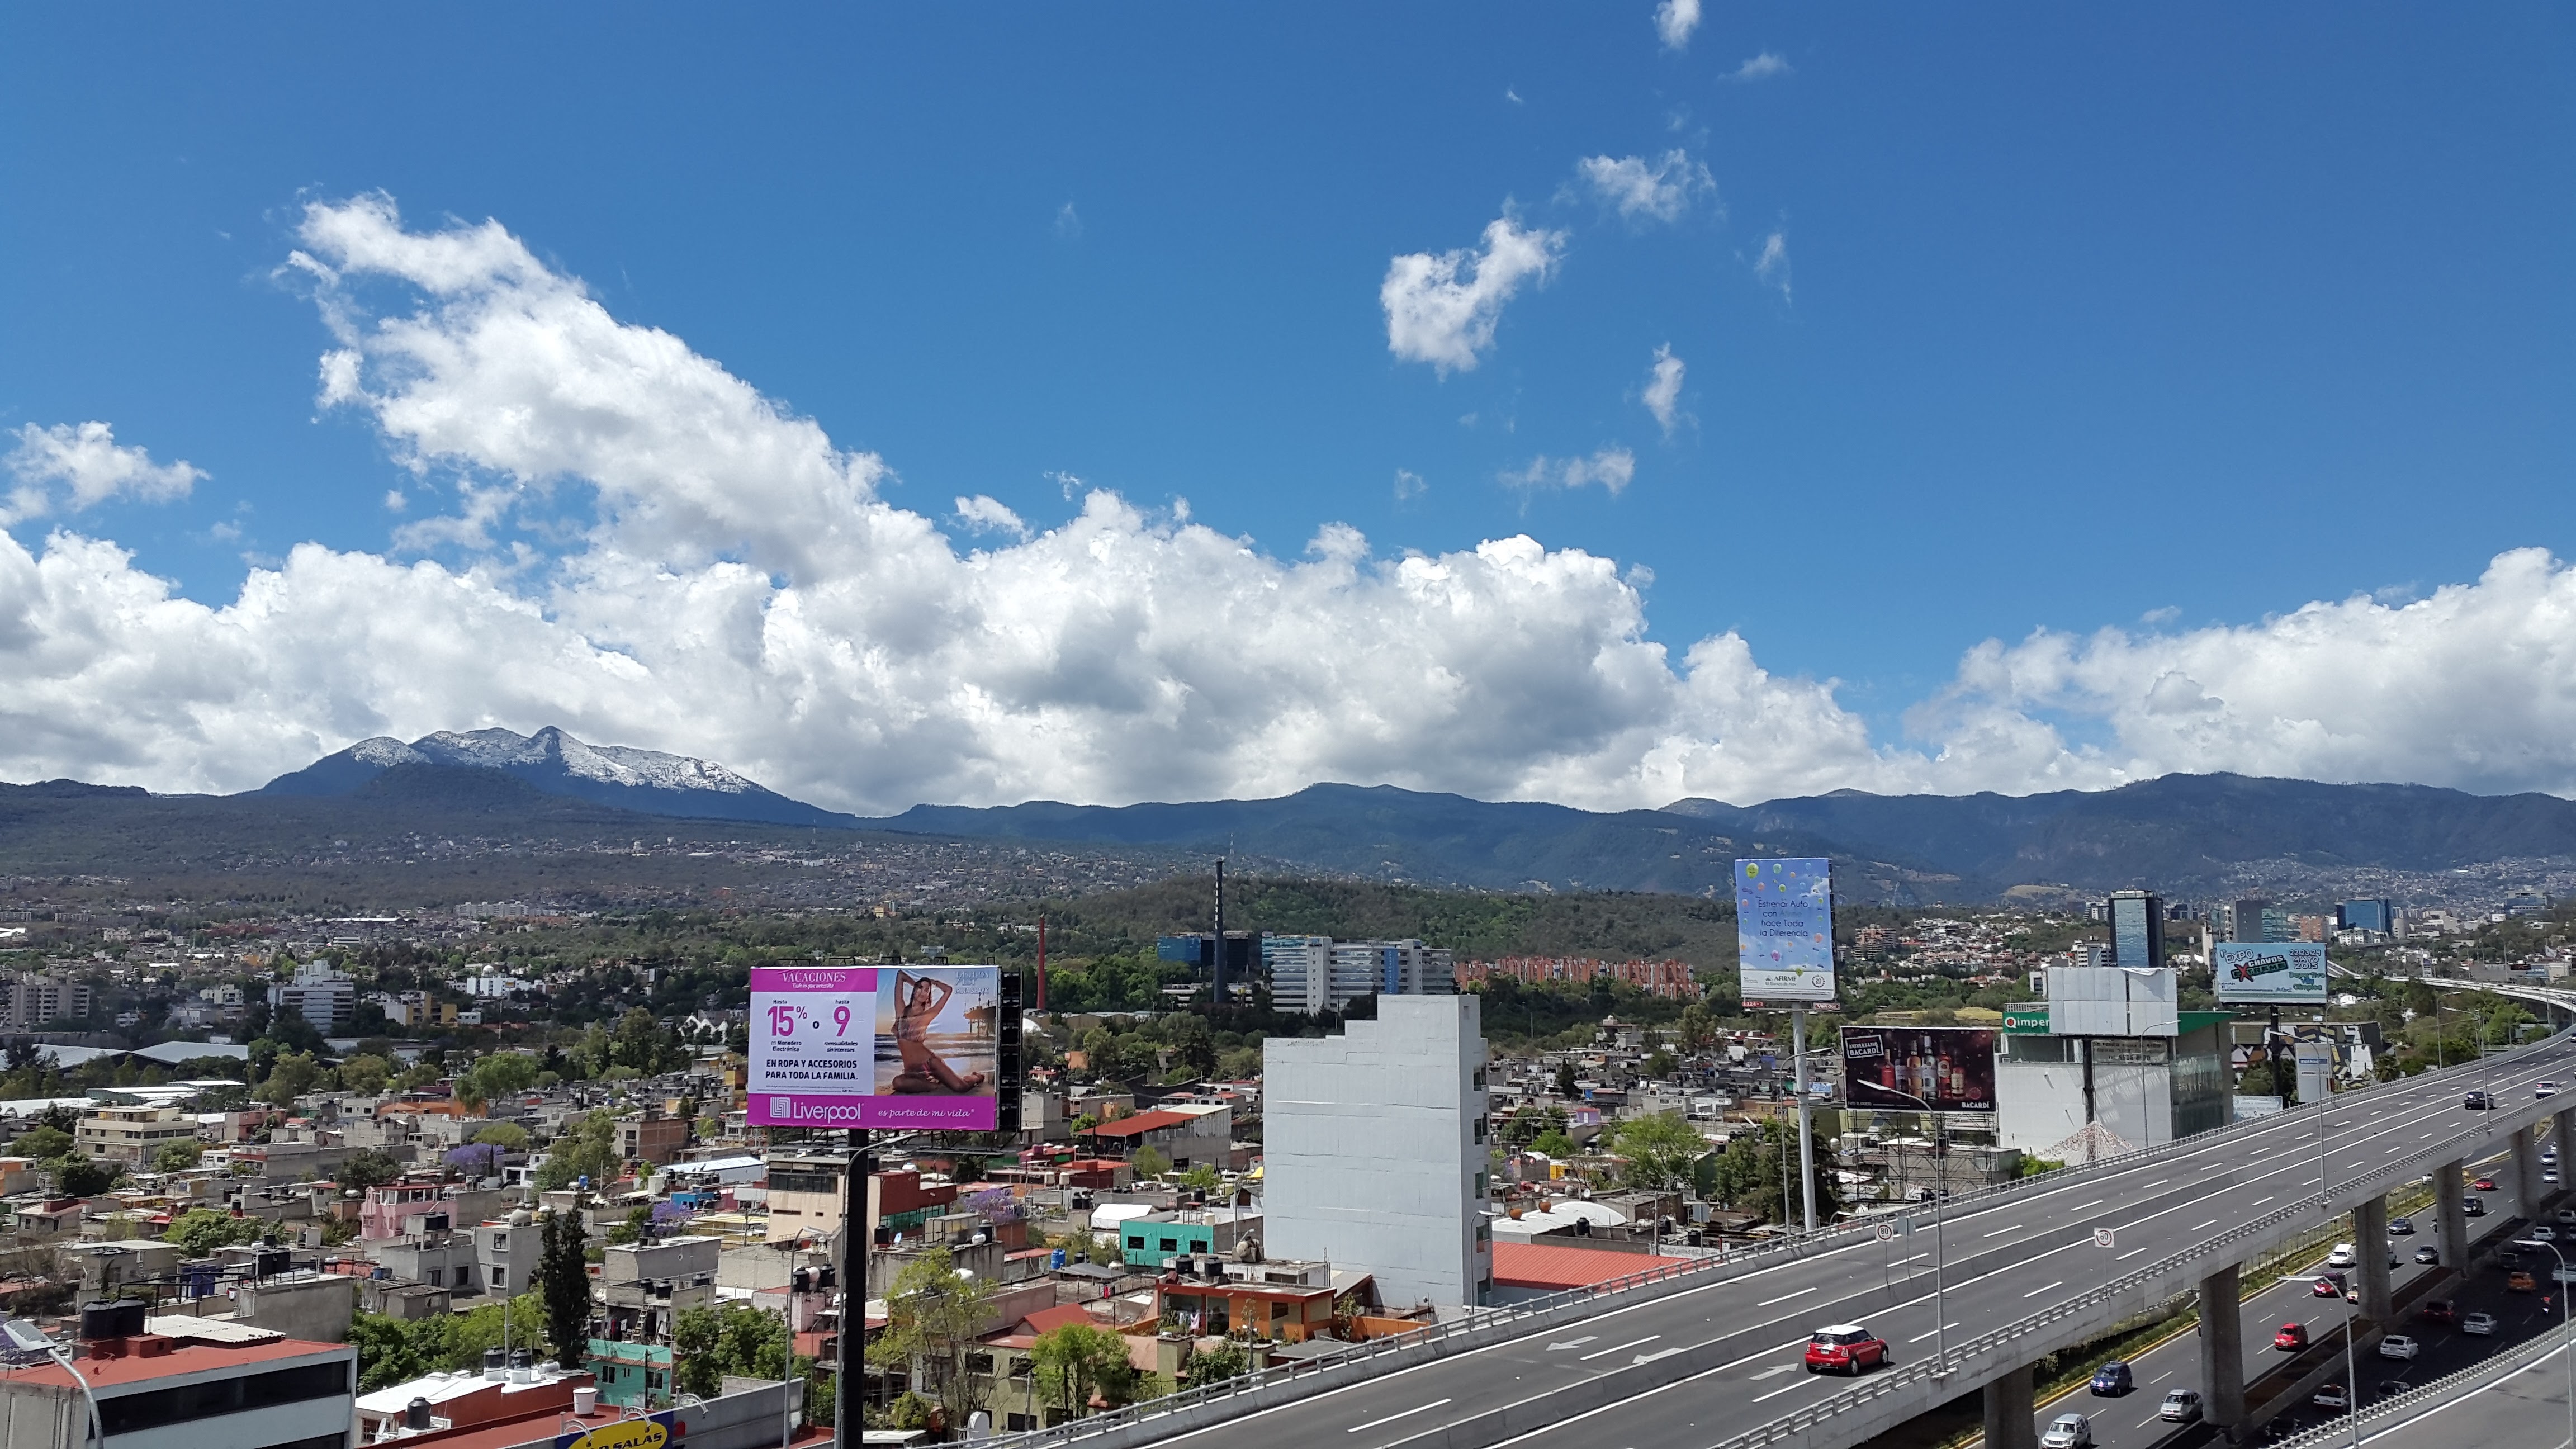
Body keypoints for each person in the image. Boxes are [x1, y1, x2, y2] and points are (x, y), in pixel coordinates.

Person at [888, 972, 988, 1094]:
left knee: (960, 1087)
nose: (922, 992)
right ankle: (935, 1085)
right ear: (914, 990)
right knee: (897, 1082)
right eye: (920, 988)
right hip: (912, 1071)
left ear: (928, 996)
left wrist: (935, 983)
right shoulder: (901, 1011)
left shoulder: (927, 1015)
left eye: (926, 990)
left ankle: (976, 1077)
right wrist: (915, 984)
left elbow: (948, 990)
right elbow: (900, 975)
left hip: (929, 1063)